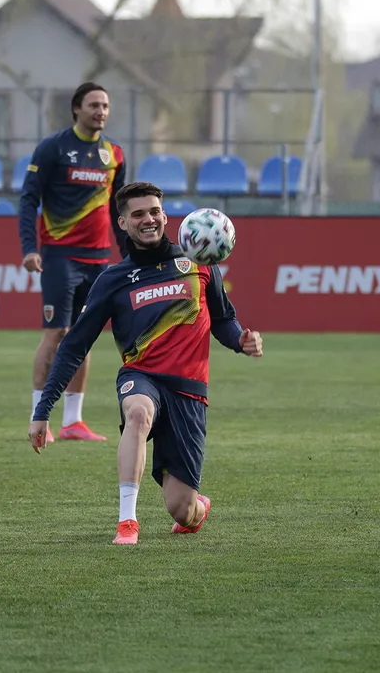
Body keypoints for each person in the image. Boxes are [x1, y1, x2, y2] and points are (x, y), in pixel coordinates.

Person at [28, 182, 263, 545]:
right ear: (122, 223)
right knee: (137, 412)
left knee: (181, 509)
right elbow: (73, 346)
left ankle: (196, 507)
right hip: (140, 377)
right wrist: (42, 411)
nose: (148, 219)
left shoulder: (197, 263)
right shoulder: (112, 280)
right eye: (137, 214)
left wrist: (240, 341)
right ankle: (127, 521)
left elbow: (223, 319)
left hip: (188, 392)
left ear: (165, 215)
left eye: (154, 211)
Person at [18, 82, 129, 445]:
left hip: (99, 259)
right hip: (59, 256)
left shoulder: (114, 154)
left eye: (105, 105)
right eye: (94, 105)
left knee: (84, 334)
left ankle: (73, 421)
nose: (101, 111)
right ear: (76, 109)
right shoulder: (53, 148)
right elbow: (28, 199)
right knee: (56, 333)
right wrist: (29, 248)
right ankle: (39, 417)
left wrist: (129, 255)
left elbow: (117, 211)